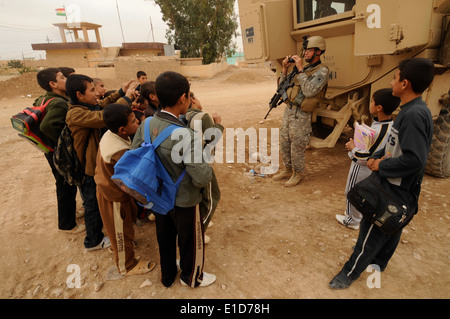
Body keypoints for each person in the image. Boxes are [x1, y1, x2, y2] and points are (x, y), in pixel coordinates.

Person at [329, 57, 435, 289]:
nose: (392, 80)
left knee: (370, 231)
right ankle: (379, 263)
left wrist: (380, 166)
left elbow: (415, 159)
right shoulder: (415, 110)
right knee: (392, 226)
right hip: (402, 186)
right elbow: (407, 150)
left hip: (395, 187)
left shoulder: (413, 115)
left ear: (405, 84)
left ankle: (348, 273)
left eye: (395, 77)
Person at [131, 71, 216, 288]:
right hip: (184, 199)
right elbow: (201, 176)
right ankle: (191, 277)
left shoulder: (147, 123)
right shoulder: (185, 135)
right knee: (189, 240)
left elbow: (136, 154)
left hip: (157, 195)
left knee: (164, 237)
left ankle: (168, 276)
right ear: (183, 98)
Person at [94, 103, 156, 277]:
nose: (137, 123)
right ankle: (127, 265)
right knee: (119, 230)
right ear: (122, 129)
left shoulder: (111, 133)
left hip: (117, 191)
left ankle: (123, 245)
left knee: (125, 225)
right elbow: (134, 176)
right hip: (113, 196)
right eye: (134, 121)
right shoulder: (118, 151)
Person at [336, 88, 400, 230]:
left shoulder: (377, 131)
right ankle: (356, 215)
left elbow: (365, 156)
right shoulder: (389, 125)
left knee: (351, 191)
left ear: (379, 107)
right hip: (371, 169)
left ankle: (352, 220)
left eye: (371, 101)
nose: (369, 103)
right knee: (362, 191)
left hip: (361, 167)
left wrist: (352, 147)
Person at [272, 36, 330, 187]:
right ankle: (287, 169)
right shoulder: (304, 70)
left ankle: (298, 174)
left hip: (302, 113)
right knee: (285, 140)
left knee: (297, 143)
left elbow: (310, 91)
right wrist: (285, 69)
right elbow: (282, 87)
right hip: (289, 110)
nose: (305, 53)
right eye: (305, 50)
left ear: (318, 52)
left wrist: (300, 69)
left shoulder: (322, 71)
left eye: (309, 50)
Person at [65, 74, 113, 251]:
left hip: (93, 165)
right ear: (79, 94)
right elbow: (102, 117)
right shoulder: (76, 113)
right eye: (92, 90)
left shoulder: (87, 106)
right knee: (92, 203)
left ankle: (98, 233)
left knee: (96, 201)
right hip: (88, 168)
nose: (96, 94)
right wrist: (124, 102)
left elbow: (103, 105)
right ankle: (93, 241)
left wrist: (124, 93)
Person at [35, 68, 84, 234]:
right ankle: (67, 224)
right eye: (62, 77)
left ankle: (70, 214)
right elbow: (47, 126)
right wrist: (62, 142)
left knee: (64, 183)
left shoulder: (44, 99)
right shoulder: (58, 103)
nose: (66, 79)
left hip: (49, 150)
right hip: (58, 152)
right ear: (53, 84)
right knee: (65, 185)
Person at [184, 92, 223, 243]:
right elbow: (213, 139)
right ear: (192, 99)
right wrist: (218, 123)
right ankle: (199, 231)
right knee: (212, 196)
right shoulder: (203, 116)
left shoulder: (184, 115)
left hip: (191, 162)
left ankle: (201, 221)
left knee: (199, 196)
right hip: (203, 164)